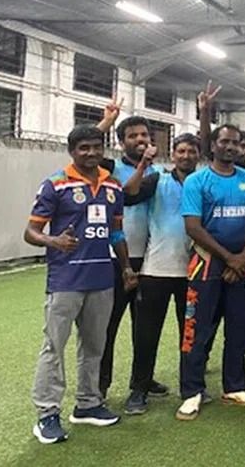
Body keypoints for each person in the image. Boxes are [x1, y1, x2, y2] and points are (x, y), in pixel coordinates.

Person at [24, 125, 135, 443]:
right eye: (84, 148)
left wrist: (126, 266)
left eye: (96, 147)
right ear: (72, 151)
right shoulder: (56, 184)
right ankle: (47, 414)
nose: (91, 153)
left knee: (94, 347)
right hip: (65, 281)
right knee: (53, 348)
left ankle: (88, 405)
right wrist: (53, 240)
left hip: (102, 279)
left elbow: (116, 232)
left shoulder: (113, 184)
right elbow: (30, 232)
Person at [176, 124, 245, 421]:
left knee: (238, 327)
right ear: (212, 145)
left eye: (236, 143)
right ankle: (192, 392)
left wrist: (242, 258)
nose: (231, 147)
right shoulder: (196, 180)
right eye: (225, 142)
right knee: (196, 331)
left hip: (241, 264)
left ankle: (235, 386)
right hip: (205, 263)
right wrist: (229, 259)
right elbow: (193, 226)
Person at [121, 133, 201, 416]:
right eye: (181, 150)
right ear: (173, 154)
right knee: (146, 334)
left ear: (198, 155)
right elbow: (128, 195)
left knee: (189, 335)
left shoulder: (202, 183)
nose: (186, 155)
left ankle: (191, 390)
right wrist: (143, 164)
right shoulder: (157, 180)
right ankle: (139, 390)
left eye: (192, 151)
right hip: (155, 271)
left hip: (193, 273)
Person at [96, 113, 164, 400]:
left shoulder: (158, 174)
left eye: (144, 135)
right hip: (114, 260)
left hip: (148, 262)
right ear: (121, 142)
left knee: (145, 328)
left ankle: (143, 380)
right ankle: (99, 386)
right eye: (133, 135)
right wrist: (106, 122)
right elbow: (127, 196)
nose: (140, 139)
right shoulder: (108, 168)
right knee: (106, 327)